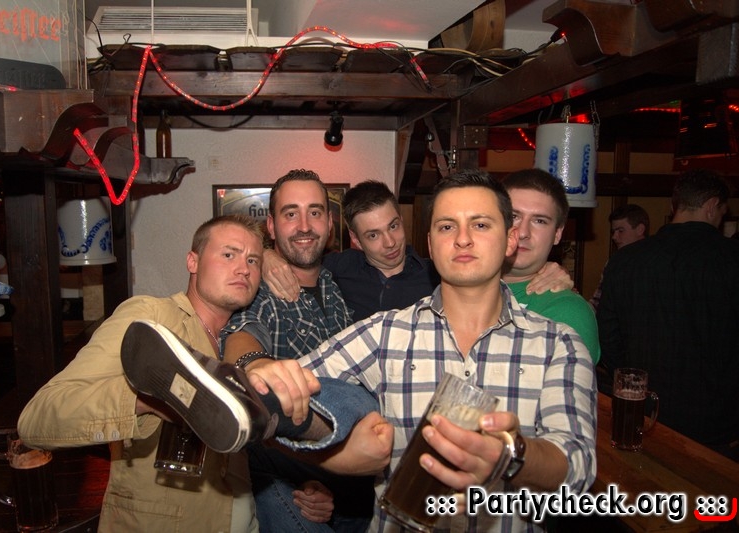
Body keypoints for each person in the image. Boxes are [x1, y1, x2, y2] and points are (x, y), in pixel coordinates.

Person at [250, 169, 597, 531]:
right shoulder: (385, 334)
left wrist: (513, 455)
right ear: (431, 244)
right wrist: (329, 452)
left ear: (510, 240)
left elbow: (578, 465)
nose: (463, 239)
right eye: (447, 226)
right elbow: (274, 395)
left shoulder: (559, 345)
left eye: (480, 225)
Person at [16, 215, 311, 532]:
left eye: (253, 260)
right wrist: (149, 399)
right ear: (193, 261)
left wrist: (305, 484)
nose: (244, 269)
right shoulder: (152, 318)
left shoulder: (244, 344)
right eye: (229, 254)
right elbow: (37, 418)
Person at [220, 169, 375, 532]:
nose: (304, 225)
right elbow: (241, 333)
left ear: (330, 224)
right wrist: (255, 365)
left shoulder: (335, 282)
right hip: (286, 473)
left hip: (351, 478)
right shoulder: (258, 289)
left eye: (315, 212)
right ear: (271, 227)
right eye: (291, 213)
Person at [264, 180, 573, 322]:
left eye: (393, 226)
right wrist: (267, 255)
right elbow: (299, 257)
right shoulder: (337, 269)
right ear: (355, 239)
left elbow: (486, 277)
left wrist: (545, 267)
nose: (390, 242)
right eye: (373, 235)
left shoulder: (437, 273)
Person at [597, 169, 739, 461]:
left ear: (675, 205)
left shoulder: (626, 261)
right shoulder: (731, 259)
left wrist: (633, 381)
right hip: (717, 421)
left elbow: (608, 335)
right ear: (713, 205)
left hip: (642, 413)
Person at [501, 168, 601, 364]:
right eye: (513, 216)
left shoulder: (566, 312)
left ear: (557, 234)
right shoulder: (460, 287)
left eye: (539, 221)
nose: (523, 232)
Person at [589, 203, 649, 309]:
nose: (614, 237)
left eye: (621, 231)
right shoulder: (614, 262)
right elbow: (597, 302)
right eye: (613, 232)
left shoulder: (655, 261)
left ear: (640, 229)